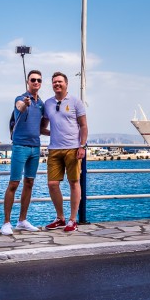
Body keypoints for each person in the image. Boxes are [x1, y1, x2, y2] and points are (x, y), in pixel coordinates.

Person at [1, 70, 48, 236]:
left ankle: (22, 221)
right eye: (33, 80)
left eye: (39, 80)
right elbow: (19, 107)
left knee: (29, 183)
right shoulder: (21, 98)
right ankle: (6, 223)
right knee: (14, 183)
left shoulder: (42, 104)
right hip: (20, 146)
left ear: (41, 83)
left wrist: (56, 133)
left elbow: (41, 128)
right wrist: (25, 103)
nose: (36, 82)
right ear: (28, 82)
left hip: (35, 148)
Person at [43, 71, 88, 232]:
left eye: (60, 82)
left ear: (66, 84)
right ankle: (60, 218)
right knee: (52, 184)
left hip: (73, 149)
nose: (57, 84)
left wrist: (82, 146)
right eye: (54, 82)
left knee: (74, 182)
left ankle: (72, 220)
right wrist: (52, 133)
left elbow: (83, 126)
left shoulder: (76, 102)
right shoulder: (47, 103)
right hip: (54, 150)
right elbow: (43, 126)